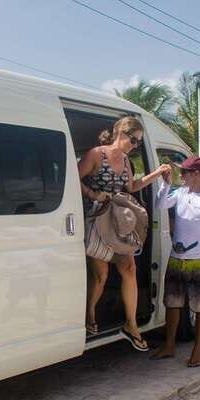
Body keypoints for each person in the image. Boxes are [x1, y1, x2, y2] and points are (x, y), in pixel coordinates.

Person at [79, 116, 170, 351]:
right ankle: (89, 314)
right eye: (133, 139)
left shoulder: (127, 161)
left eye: (138, 142)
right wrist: (91, 194)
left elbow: (131, 187)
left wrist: (156, 174)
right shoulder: (96, 155)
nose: (135, 145)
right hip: (97, 220)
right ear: (120, 133)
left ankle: (131, 325)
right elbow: (72, 178)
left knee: (128, 269)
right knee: (101, 275)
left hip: (118, 222)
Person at [151, 156, 200, 366]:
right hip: (177, 259)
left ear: (196, 174)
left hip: (199, 262)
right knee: (172, 305)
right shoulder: (179, 193)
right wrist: (166, 183)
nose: (181, 176)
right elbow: (159, 204)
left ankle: (197, 351)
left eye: (184, 173)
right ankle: (169, 346)